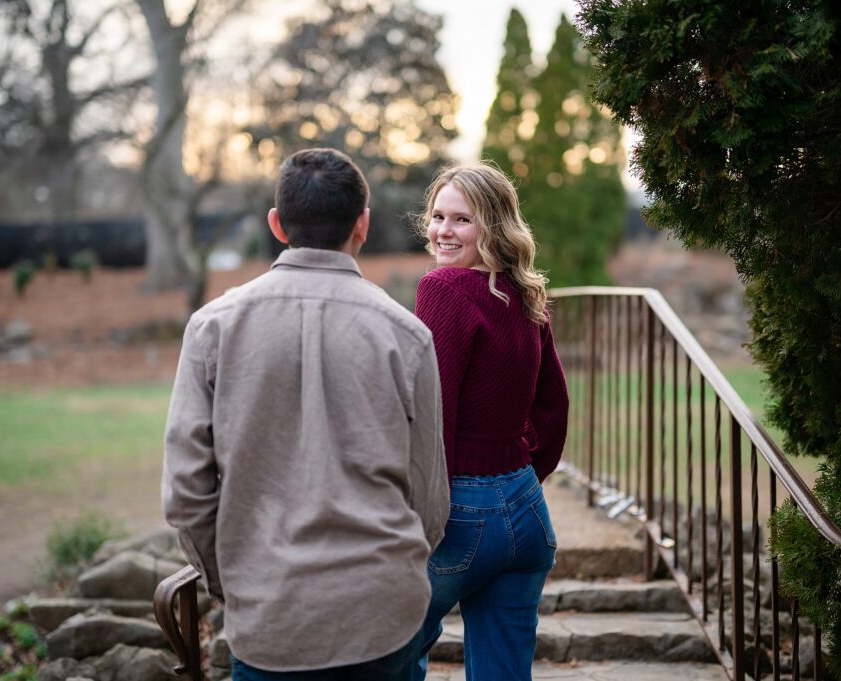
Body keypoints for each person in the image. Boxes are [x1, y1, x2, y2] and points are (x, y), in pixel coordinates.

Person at [162, 148, 450, 681]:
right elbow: (430, 495)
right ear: (362, 224)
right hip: (383, 613)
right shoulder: (406, 335)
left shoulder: (212, 329)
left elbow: (185, 491)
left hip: (270, 618)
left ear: (276, 224)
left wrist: (233, 583)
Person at [412, 163, 569, 681]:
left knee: (385, 649)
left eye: (462, 220)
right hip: (527, 511)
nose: (442, 231)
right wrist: (522, 477)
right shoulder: (524, 294)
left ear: (494, 227)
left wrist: (427, 512)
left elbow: (435, 413)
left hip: (463, 510)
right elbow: (554, 407)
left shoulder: (443, 289)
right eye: (438, 216)